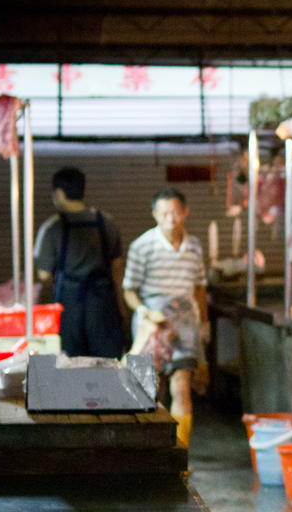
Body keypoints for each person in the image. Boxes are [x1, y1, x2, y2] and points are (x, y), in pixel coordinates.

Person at [123, 188, 209, 447]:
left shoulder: (193, 247)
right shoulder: (142, 246)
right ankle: (152, 449)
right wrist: (143, 311)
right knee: (150, 388)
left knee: (182, 385)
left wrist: (204, 325)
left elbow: (200, 288)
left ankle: (180, 452)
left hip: (185, 323)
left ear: (185, 212)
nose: (170, 219)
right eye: (164, 214)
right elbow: (129, 290)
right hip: (152, 323)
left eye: (175, 213)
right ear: (155, 215)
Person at [35, 166, 126, 358]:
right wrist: (122, 309)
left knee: (71, 366)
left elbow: (44, 276)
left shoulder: (52, 228)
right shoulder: (107, 222)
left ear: (59, 193)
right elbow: (117, 269)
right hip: (103, 305)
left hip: (69, 308)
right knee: (107, 365)